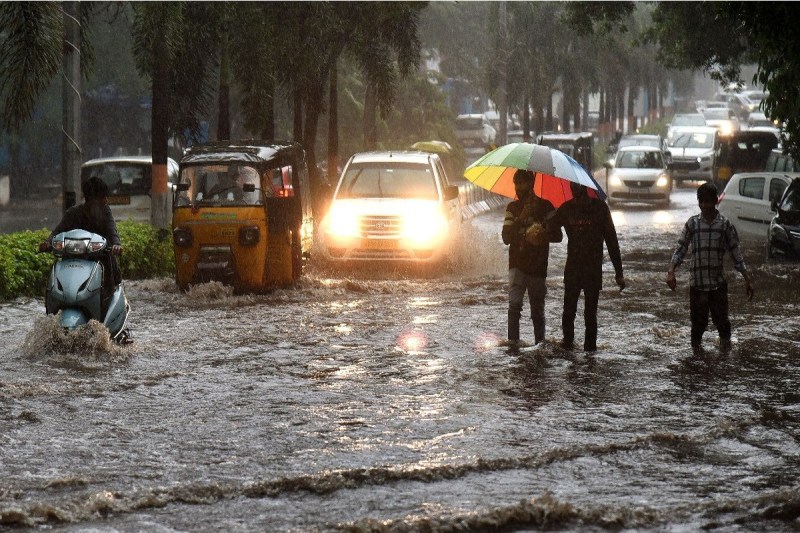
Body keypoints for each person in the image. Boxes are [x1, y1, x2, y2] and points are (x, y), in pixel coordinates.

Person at [666, 181, 754, 352]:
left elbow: (736, 253)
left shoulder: (724, 225)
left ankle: (723, 360)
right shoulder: (692, 224)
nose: (705, 206)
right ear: (698, 202)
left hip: (717, 285)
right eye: (701, 202)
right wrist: (671, 271)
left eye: (708, 201)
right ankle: (697, 361)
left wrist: (747, 279)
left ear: (715, 201)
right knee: (697, 327)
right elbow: (680, 249)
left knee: (723, 324)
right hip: (697, 285)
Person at [548, 182, 625, 352]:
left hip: (591, 270)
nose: (574, 189)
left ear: (585, 188)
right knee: (569, 312)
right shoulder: (567, 208)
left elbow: (612, 241)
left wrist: (619, 272)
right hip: (576, 269)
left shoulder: (599, 208)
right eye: (572, 186)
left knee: (588, 314)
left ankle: (588, 351)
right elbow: (551, 229)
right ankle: (569, 347)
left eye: (576, 186)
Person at [501, 169, 562, 347]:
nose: (518, 188)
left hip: (538, 266)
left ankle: (540, 345)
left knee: (537, 311)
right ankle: (513, 344)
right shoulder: (512, 208)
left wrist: (543, 229)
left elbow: (558, 235)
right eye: (516, 184)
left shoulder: (546, 207)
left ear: (531, 184)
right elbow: (506, 237)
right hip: (517, 265)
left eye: (522, 184)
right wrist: (521, 219)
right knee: (514, 307)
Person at [39, 176, 123, 297]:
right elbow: (58, 231)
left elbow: (112, 230)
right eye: (102, 197)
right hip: (74, 259)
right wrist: (48, 243)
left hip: (100, 257)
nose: (105, 201)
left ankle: (107, 298)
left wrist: (116, 244)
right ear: (91, 198)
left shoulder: (105, 212)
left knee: (110, 283)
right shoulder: (73, 213)